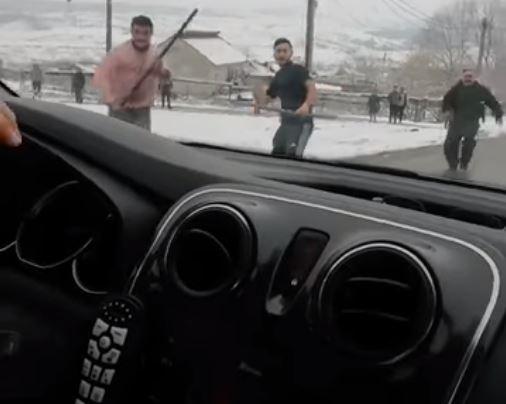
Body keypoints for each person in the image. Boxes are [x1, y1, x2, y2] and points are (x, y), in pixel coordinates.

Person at [92, 15, 170, 131]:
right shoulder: (118, 53)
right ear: (131, 32)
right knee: (118, 139)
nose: (141, 37)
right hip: (120, 109)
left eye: (145, 33)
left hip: (142, 110)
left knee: (141, 140)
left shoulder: (155, 54)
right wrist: (110, 100)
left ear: (151, 33)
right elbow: (101, 76)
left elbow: (164, 76)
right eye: (137, 32)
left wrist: (162, 73)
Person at [257, 38, 318, 158]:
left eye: (285, 51)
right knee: (277, 152)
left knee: (292, 156)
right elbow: (267, 98)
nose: (281, 54)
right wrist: (259, 97)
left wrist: (306, 106)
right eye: (278, 51)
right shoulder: (278, 76)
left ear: (291, 53)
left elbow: (312, 90)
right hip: (286, 122)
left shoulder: (298, 70)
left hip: (301, 123)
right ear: (274, 54)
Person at [442, 68, 503, 171]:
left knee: (469, 143)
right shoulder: (456, 89)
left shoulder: (480, 90)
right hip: (456, 120)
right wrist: (447, 110)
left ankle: (464, 162)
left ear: (474, 78)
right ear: (462, 77)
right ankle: (453, 164)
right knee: (450, 144)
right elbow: (446, 100)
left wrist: (498, 114)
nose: (468, 79)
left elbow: (492, 102)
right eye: (466, 76)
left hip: (472, 121)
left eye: (470, 77)